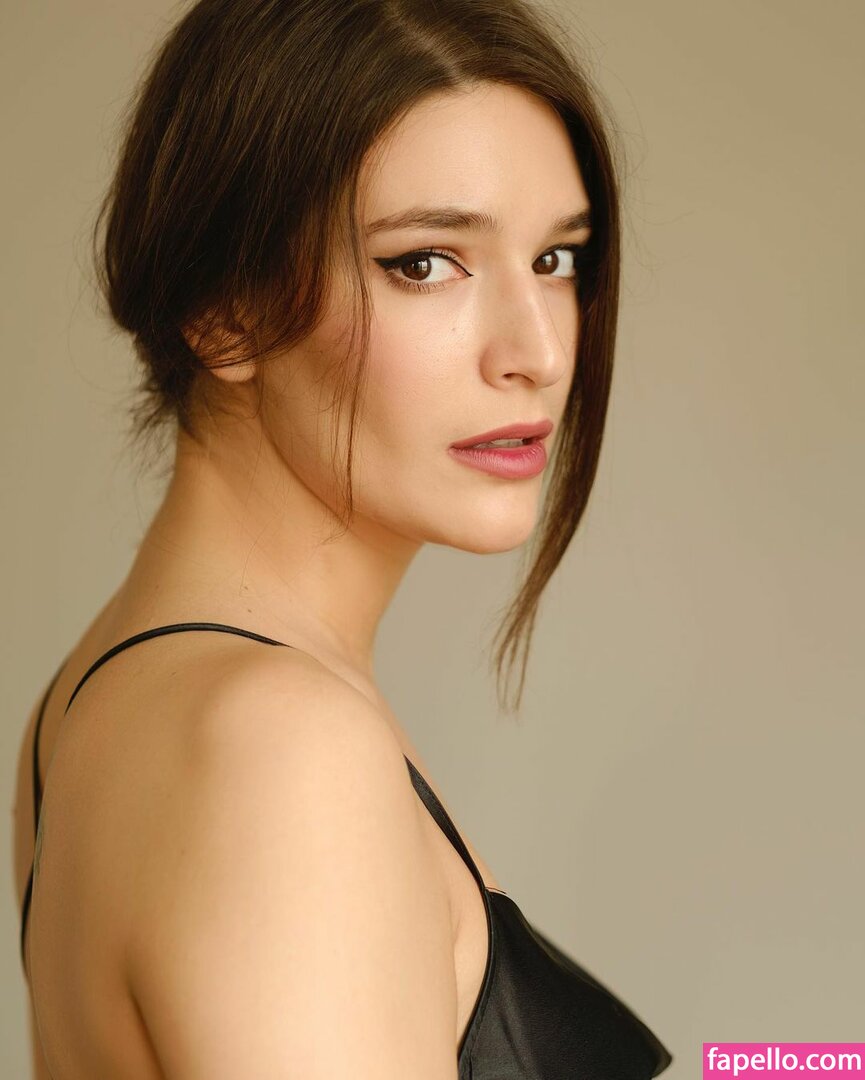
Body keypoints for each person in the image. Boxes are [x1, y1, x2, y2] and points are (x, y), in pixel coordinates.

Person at [13, 0, 674, 1076]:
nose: (538, 352)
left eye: (557, 258)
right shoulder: (279, 751)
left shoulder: (104, 700)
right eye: (425, 262)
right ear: (222, 308)